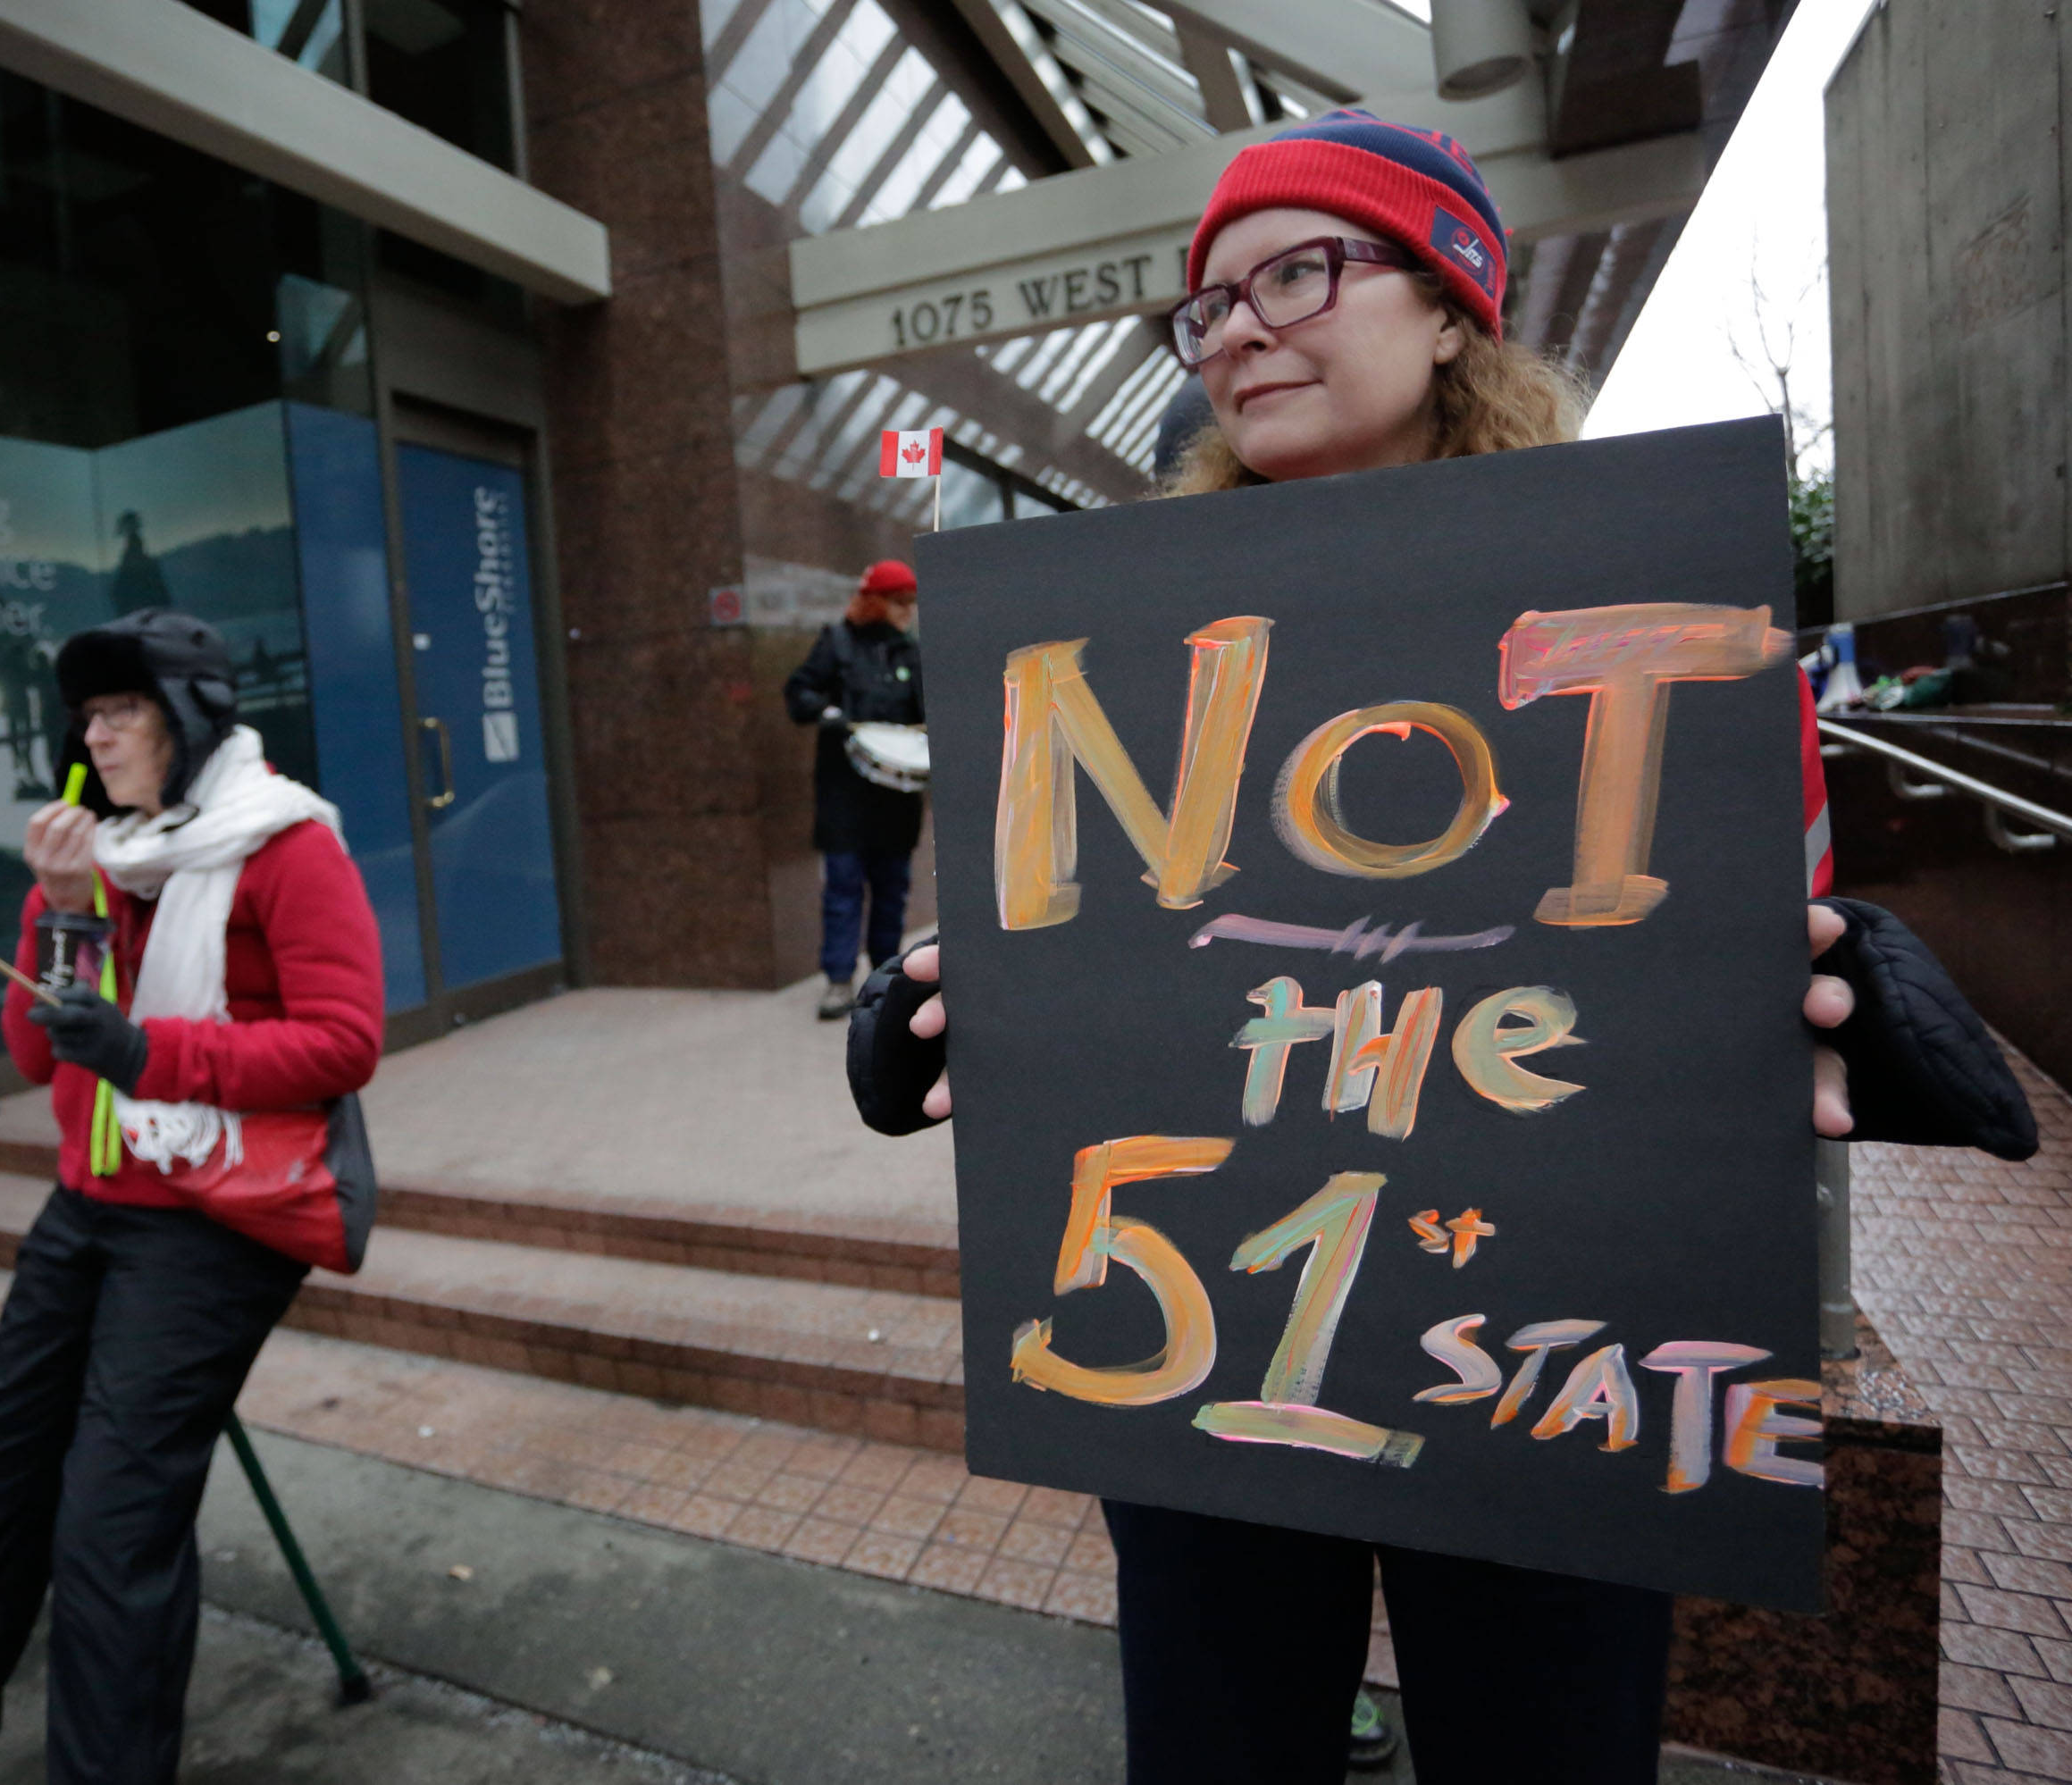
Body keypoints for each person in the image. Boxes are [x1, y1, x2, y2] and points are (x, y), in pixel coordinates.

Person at [845, 112, 1872, 1783]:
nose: (1239, 328)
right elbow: (1064, 924)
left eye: (1301, 271)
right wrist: (931, 1012)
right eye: (1210, 302)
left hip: (1544, 1364)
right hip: (1205, 1361)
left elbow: (1769, 914)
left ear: (1455, 301)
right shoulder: (1109, 635)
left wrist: (1838, 990)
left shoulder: (1645, 591)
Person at [0, 608, 382, 1784]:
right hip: (88, 1204)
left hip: (215, 1220)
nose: (96, 737)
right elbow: (41, 1058)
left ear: (186, 717)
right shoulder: (101, 855)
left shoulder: (286, 843)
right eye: (85, 715)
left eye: (121, 710)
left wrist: (151, 1051)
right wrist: (67, 912)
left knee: (108, 1533)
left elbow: (345, 1043)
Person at [785, 560, 924, 1019]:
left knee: (892, 888)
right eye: (900, 601)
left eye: (911, 602)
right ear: (874, 602)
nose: (908, 611)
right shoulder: (836, 643)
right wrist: (824, 712)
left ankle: (885, 978)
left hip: (895, 796)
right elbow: (798, 692)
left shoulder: (911, 652)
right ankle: (839, 981)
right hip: (844, 793)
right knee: (842, 886)